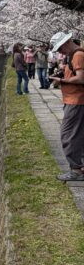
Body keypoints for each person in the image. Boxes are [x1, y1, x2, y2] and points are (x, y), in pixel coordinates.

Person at [49, 32, 84, 181]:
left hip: (76, 100)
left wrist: (62, 80)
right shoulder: (75, 55)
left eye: (60, 48)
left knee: (68, 135)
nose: (60, 52)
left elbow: (81, 78)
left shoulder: (78, 56)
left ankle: (75, 170)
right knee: (79, 134)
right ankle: (80, 167)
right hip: (74, 100)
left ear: (67, 42)